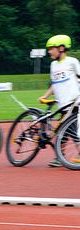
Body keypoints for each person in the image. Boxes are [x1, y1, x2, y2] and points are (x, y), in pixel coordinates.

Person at [39, 35, 80, 167]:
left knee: (73, 131)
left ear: (61, 48)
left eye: (51, 49)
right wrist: (45, 96)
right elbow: (54, 84)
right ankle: (59, 157)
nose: (49, 52)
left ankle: (63, 157)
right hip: (62, 104)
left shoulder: (72, 62)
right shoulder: (53, 65)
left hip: (74, 102)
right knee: (64, 131)